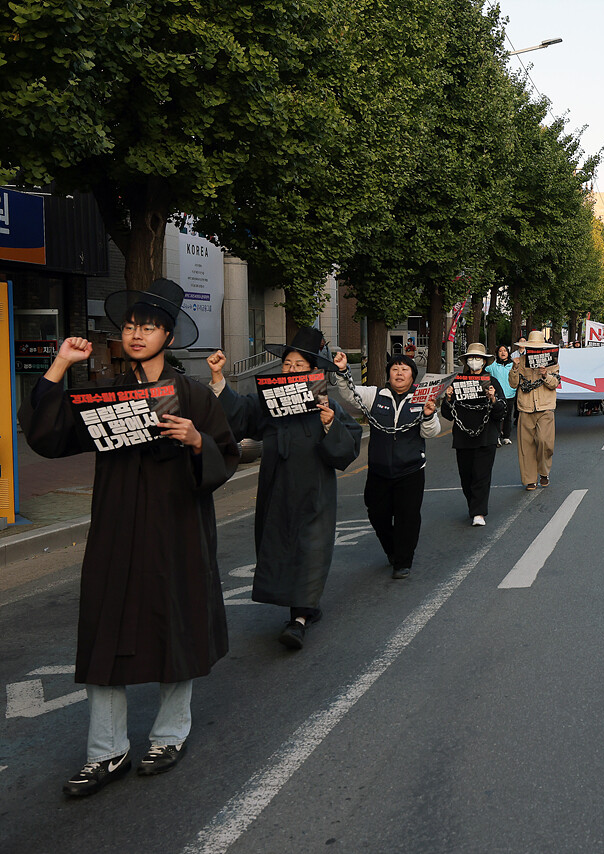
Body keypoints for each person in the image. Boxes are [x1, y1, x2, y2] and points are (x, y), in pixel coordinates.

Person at [19, 278, 239, 796]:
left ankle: (169, 735)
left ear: (169, 337)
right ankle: (106, 751)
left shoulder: (192, 395)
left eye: (150, 327)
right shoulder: (104, 391)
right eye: (132, 325)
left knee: (176, 626)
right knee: (105, 631)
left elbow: (226, 455)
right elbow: (49, 436)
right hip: (116, 528)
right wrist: (60, 365)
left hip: (177, 528)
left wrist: (196, 441)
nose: (137, 334)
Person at [208, 327, 361, 649]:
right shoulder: (269, 403)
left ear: (313, 371)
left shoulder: (328, 405)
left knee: (310, 550)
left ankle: (299, 619)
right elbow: (241, 413)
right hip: (276, 491)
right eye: (287, 364)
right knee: (279, 546)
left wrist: (329, 424)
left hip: (314, 493)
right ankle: (305, 607)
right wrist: (219, 378)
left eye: (298, 365)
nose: (290, 370)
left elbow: (348, 448)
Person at [326, 349, 440, 579]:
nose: (399, 373)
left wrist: (429, 414)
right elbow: (350, 393)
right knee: (377, 514)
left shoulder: (421, 398)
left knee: (408, 517)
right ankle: (392, 550)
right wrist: (342, 371)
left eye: (404, 369)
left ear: (412, 375)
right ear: (388, 374)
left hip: (410, 471)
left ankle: (403, 561)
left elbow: (431, 432)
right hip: (379, 471)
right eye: (395, 369)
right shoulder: (375, 395)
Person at [440, 343, 506, 526]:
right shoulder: (456, 382)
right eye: (471, 358)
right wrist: (448, 399)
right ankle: (473, 505)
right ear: (466, 361)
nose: (474, 361)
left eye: (478, 358)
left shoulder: (492, 382)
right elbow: (447, 414)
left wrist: (493, 399)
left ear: (484, 362)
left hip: (486, 436)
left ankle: (479, 512)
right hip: (463, 437)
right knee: (466, 476)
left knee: (481, 475)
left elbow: (501, 412)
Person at [511, 330, 560, 490]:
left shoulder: (552, 362)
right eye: (532, 347)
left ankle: (544, 472)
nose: (535, 350)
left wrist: (545, 374)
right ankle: (530, 479)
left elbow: (555, 383)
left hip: (546, 406)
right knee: (526, 446)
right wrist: (515, 368)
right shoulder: (520, 361)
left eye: (538, 347)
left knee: (545, 442)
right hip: (525, 407)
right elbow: (513, 384)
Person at [487, 344, 517, 445]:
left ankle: (506, 436)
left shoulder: (513, 365)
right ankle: (497, 436)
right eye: (500, 351)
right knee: (497, 417)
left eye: (505, 350)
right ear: (497, 353)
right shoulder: (493, 365)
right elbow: (483, 372)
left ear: (508, 353)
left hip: (510, 395)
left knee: (508, 417)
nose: (503, 353)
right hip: (497, 396)